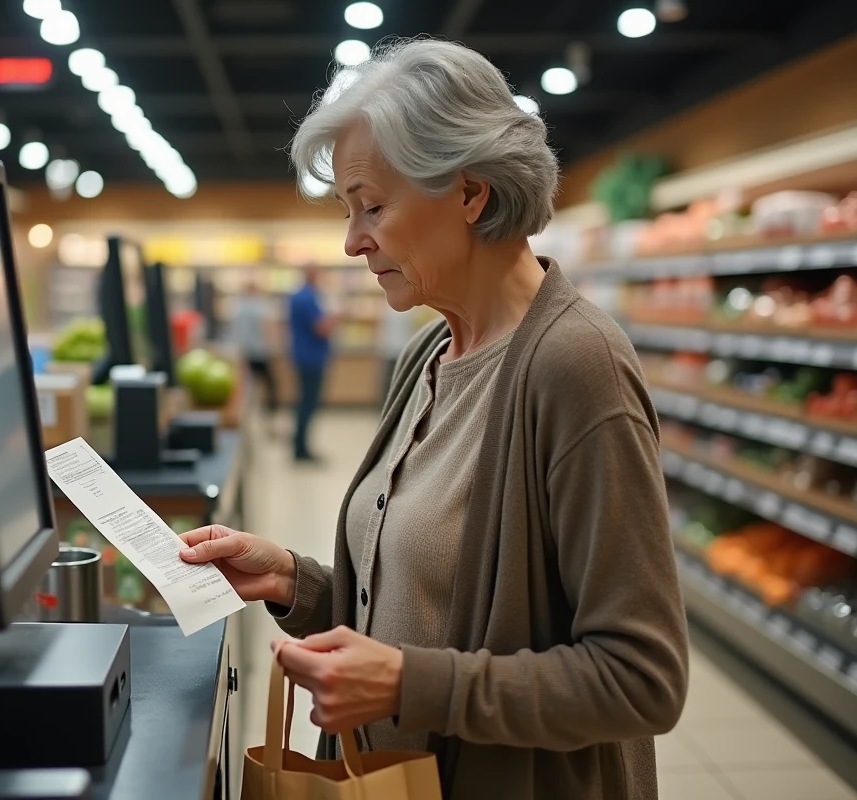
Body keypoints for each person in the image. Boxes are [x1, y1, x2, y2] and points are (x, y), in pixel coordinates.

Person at [179, 38, 688, 800]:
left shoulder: (574, 367)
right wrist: (294, 580)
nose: (353, 241)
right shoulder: (428, 355)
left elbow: (641, 678)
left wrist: (412, 686)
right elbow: (421, 607)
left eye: (372, 206)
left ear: (469, 193)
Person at [288, 265, 333, 462]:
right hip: (311, 358)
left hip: (304, 356)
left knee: (304, 402)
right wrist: (337, 318)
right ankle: (301, 448)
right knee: (308, 403)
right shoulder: (308, 298)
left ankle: (299, 444)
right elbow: (321, 328)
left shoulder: (299, 296)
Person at [230, 280, 278, 413]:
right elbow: (267, 328)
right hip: (259, 352)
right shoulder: (260, 307)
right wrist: (272, 346)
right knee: (269, 386)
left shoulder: (238, 306)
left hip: (244, 352)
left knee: (248, 388)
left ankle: (251, 413)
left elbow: (236, 331)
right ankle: (269, 415)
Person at [378, 304, 414, 405]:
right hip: (402, 350)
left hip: (392, 351)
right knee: (400, 380)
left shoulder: (386, 310)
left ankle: (387, 405)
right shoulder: (410, 311)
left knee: (389, 382)